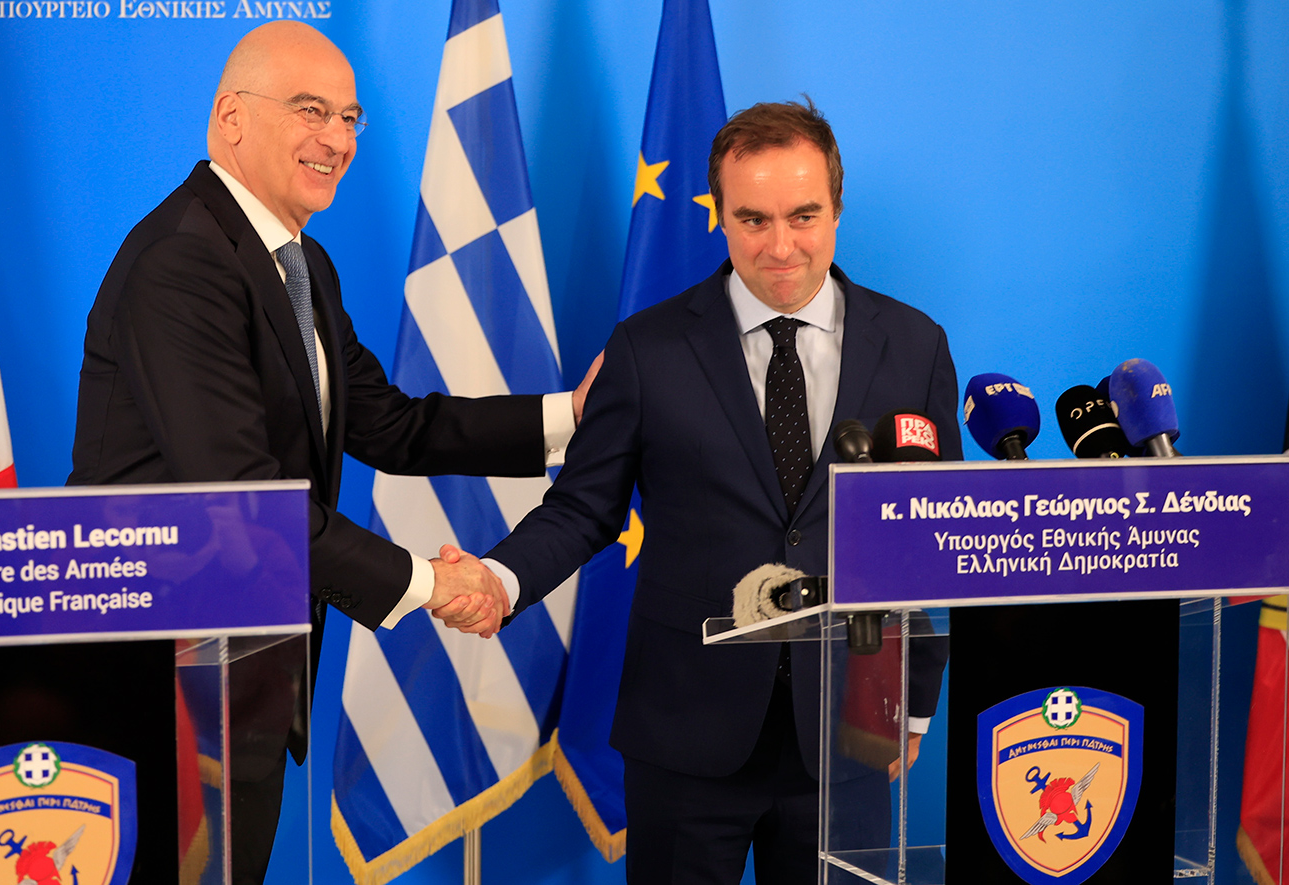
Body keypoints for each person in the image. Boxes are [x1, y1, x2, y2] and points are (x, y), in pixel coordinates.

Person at [67, 21, 591, 882]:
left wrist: (572, 415)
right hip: (161, 681)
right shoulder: (182, 262)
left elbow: (395, 425)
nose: (338, 139)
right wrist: (430, 583)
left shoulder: (300, 262)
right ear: (231, 117)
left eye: (350, 118)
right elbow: (243, 499)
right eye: (311, 111)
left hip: (244, 681)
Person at [443, 100, 961, 882]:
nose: (780, 245)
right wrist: (500, 577)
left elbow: (931, 539)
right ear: (719, 216)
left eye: (803, 215)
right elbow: (583, 507)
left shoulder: (915, 346)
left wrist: (912, 699)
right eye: (753, 219)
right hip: (685, 735)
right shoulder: (646, 348)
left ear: (836, 209)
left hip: (850, 730)